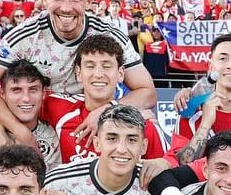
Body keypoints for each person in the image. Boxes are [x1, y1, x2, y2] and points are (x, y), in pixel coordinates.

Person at [0, 0, 155, 147]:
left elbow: (147, 92)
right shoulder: (25, 36)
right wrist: (18, 130)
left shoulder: (110, 35)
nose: (66, 7)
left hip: (88, 126)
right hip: (39, 126)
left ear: (89, 0)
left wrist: (107, 111)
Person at [42, 34, 169, 164]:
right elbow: (22, 106)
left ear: (120, 74)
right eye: (90, 66)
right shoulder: (58, 108)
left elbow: (164, 173)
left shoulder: (144, 126)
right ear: (78, 73)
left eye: (107, 66)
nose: (98, 74)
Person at [175, 35, 231, 163]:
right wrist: (205, 124)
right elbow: (181, 164)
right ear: (211, 67)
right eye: (223, 58)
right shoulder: (192, 109)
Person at [0, 59, 62, 170]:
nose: (26, 98)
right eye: (16, 90)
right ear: (2, 94)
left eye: (33, 90)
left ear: (43, 93)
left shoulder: (52, 135)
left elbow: (50, 184)